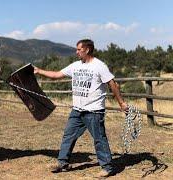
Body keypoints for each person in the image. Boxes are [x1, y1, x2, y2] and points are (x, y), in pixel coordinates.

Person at [34, 39, 128, 178]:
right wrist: (38, 70)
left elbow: (113, 84)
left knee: (99, 139)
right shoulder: (75, 66)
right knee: (68, 135)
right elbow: (56, 75)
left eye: (79, 49)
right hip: (77, 110)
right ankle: (62, 163)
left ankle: (107, 168)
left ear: (87, 50)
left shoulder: (99, 66)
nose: (76, 52)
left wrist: (121, 103)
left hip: (94, 111)